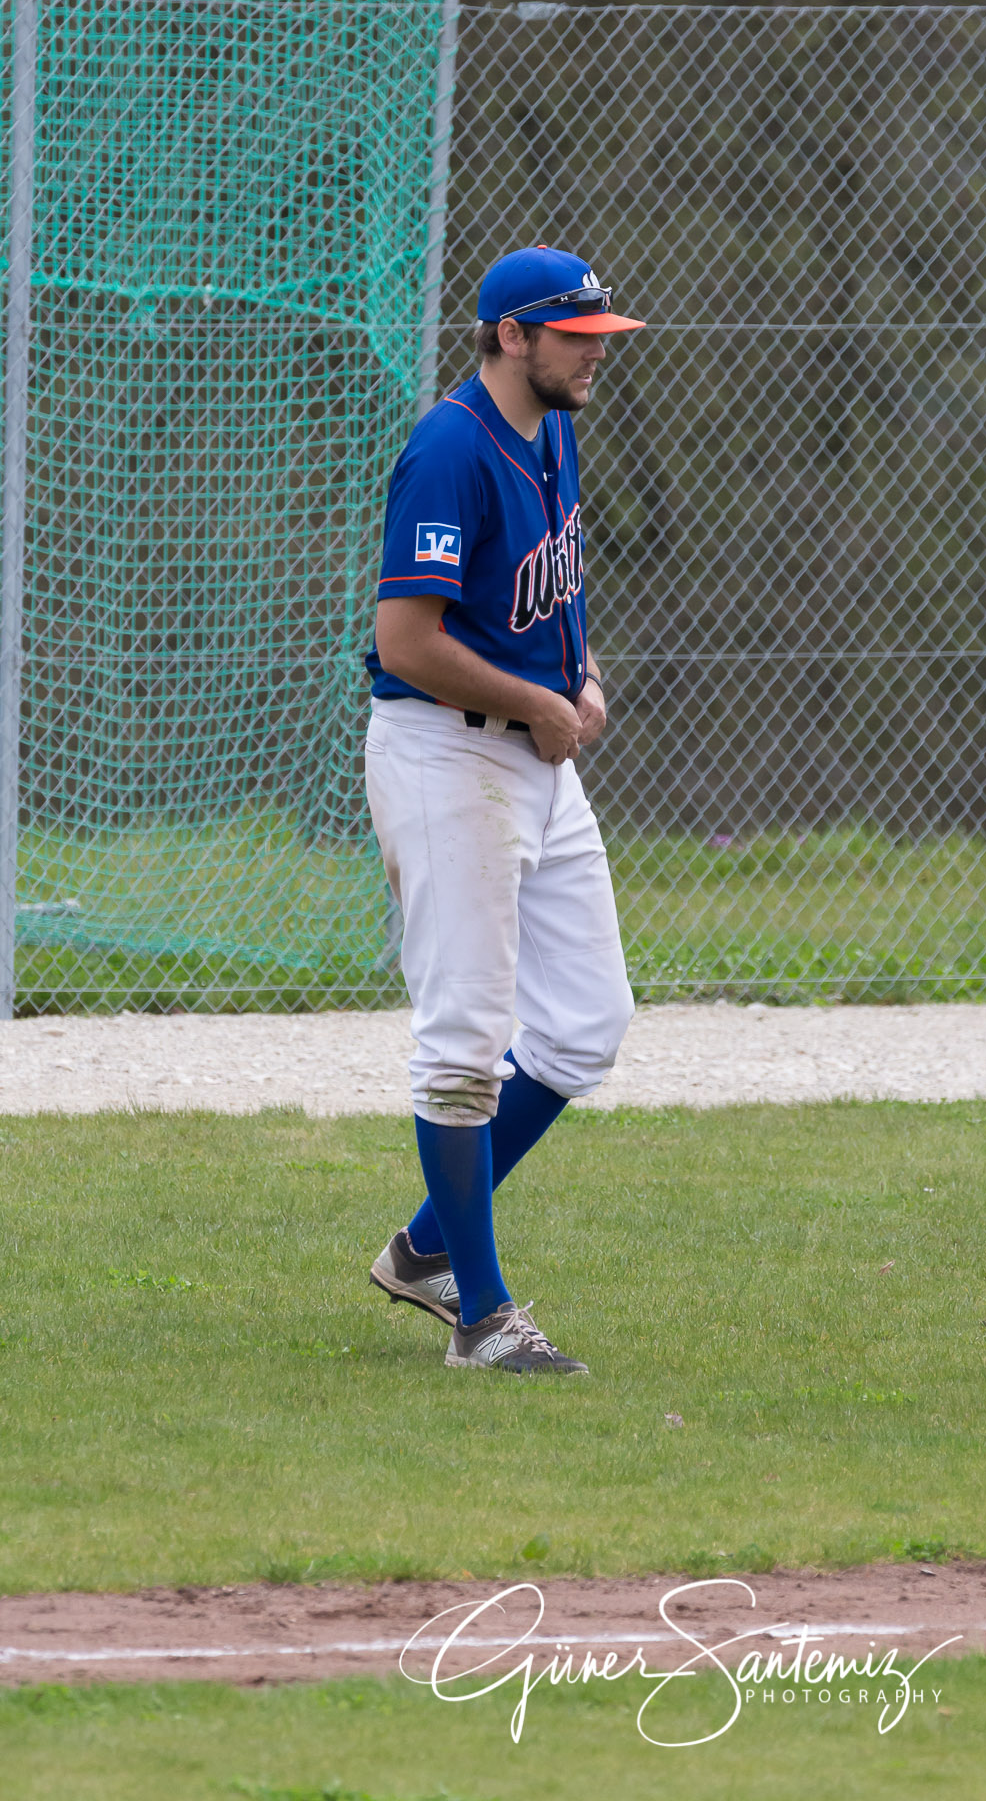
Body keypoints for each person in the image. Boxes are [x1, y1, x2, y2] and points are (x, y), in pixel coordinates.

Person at [364, 246, 644, 1374]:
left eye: (599, 334)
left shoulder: (556, 428)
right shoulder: (447, 449)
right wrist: (540, 698)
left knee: (585, 1021)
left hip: (535, 752)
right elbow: (408, 641)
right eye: (573, 335)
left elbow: (546, 592)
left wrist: (577, 679)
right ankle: (481, 1316)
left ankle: (428, 1246)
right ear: (509, 337)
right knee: (465, 1040)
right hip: (446, 756)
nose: (594, 352)